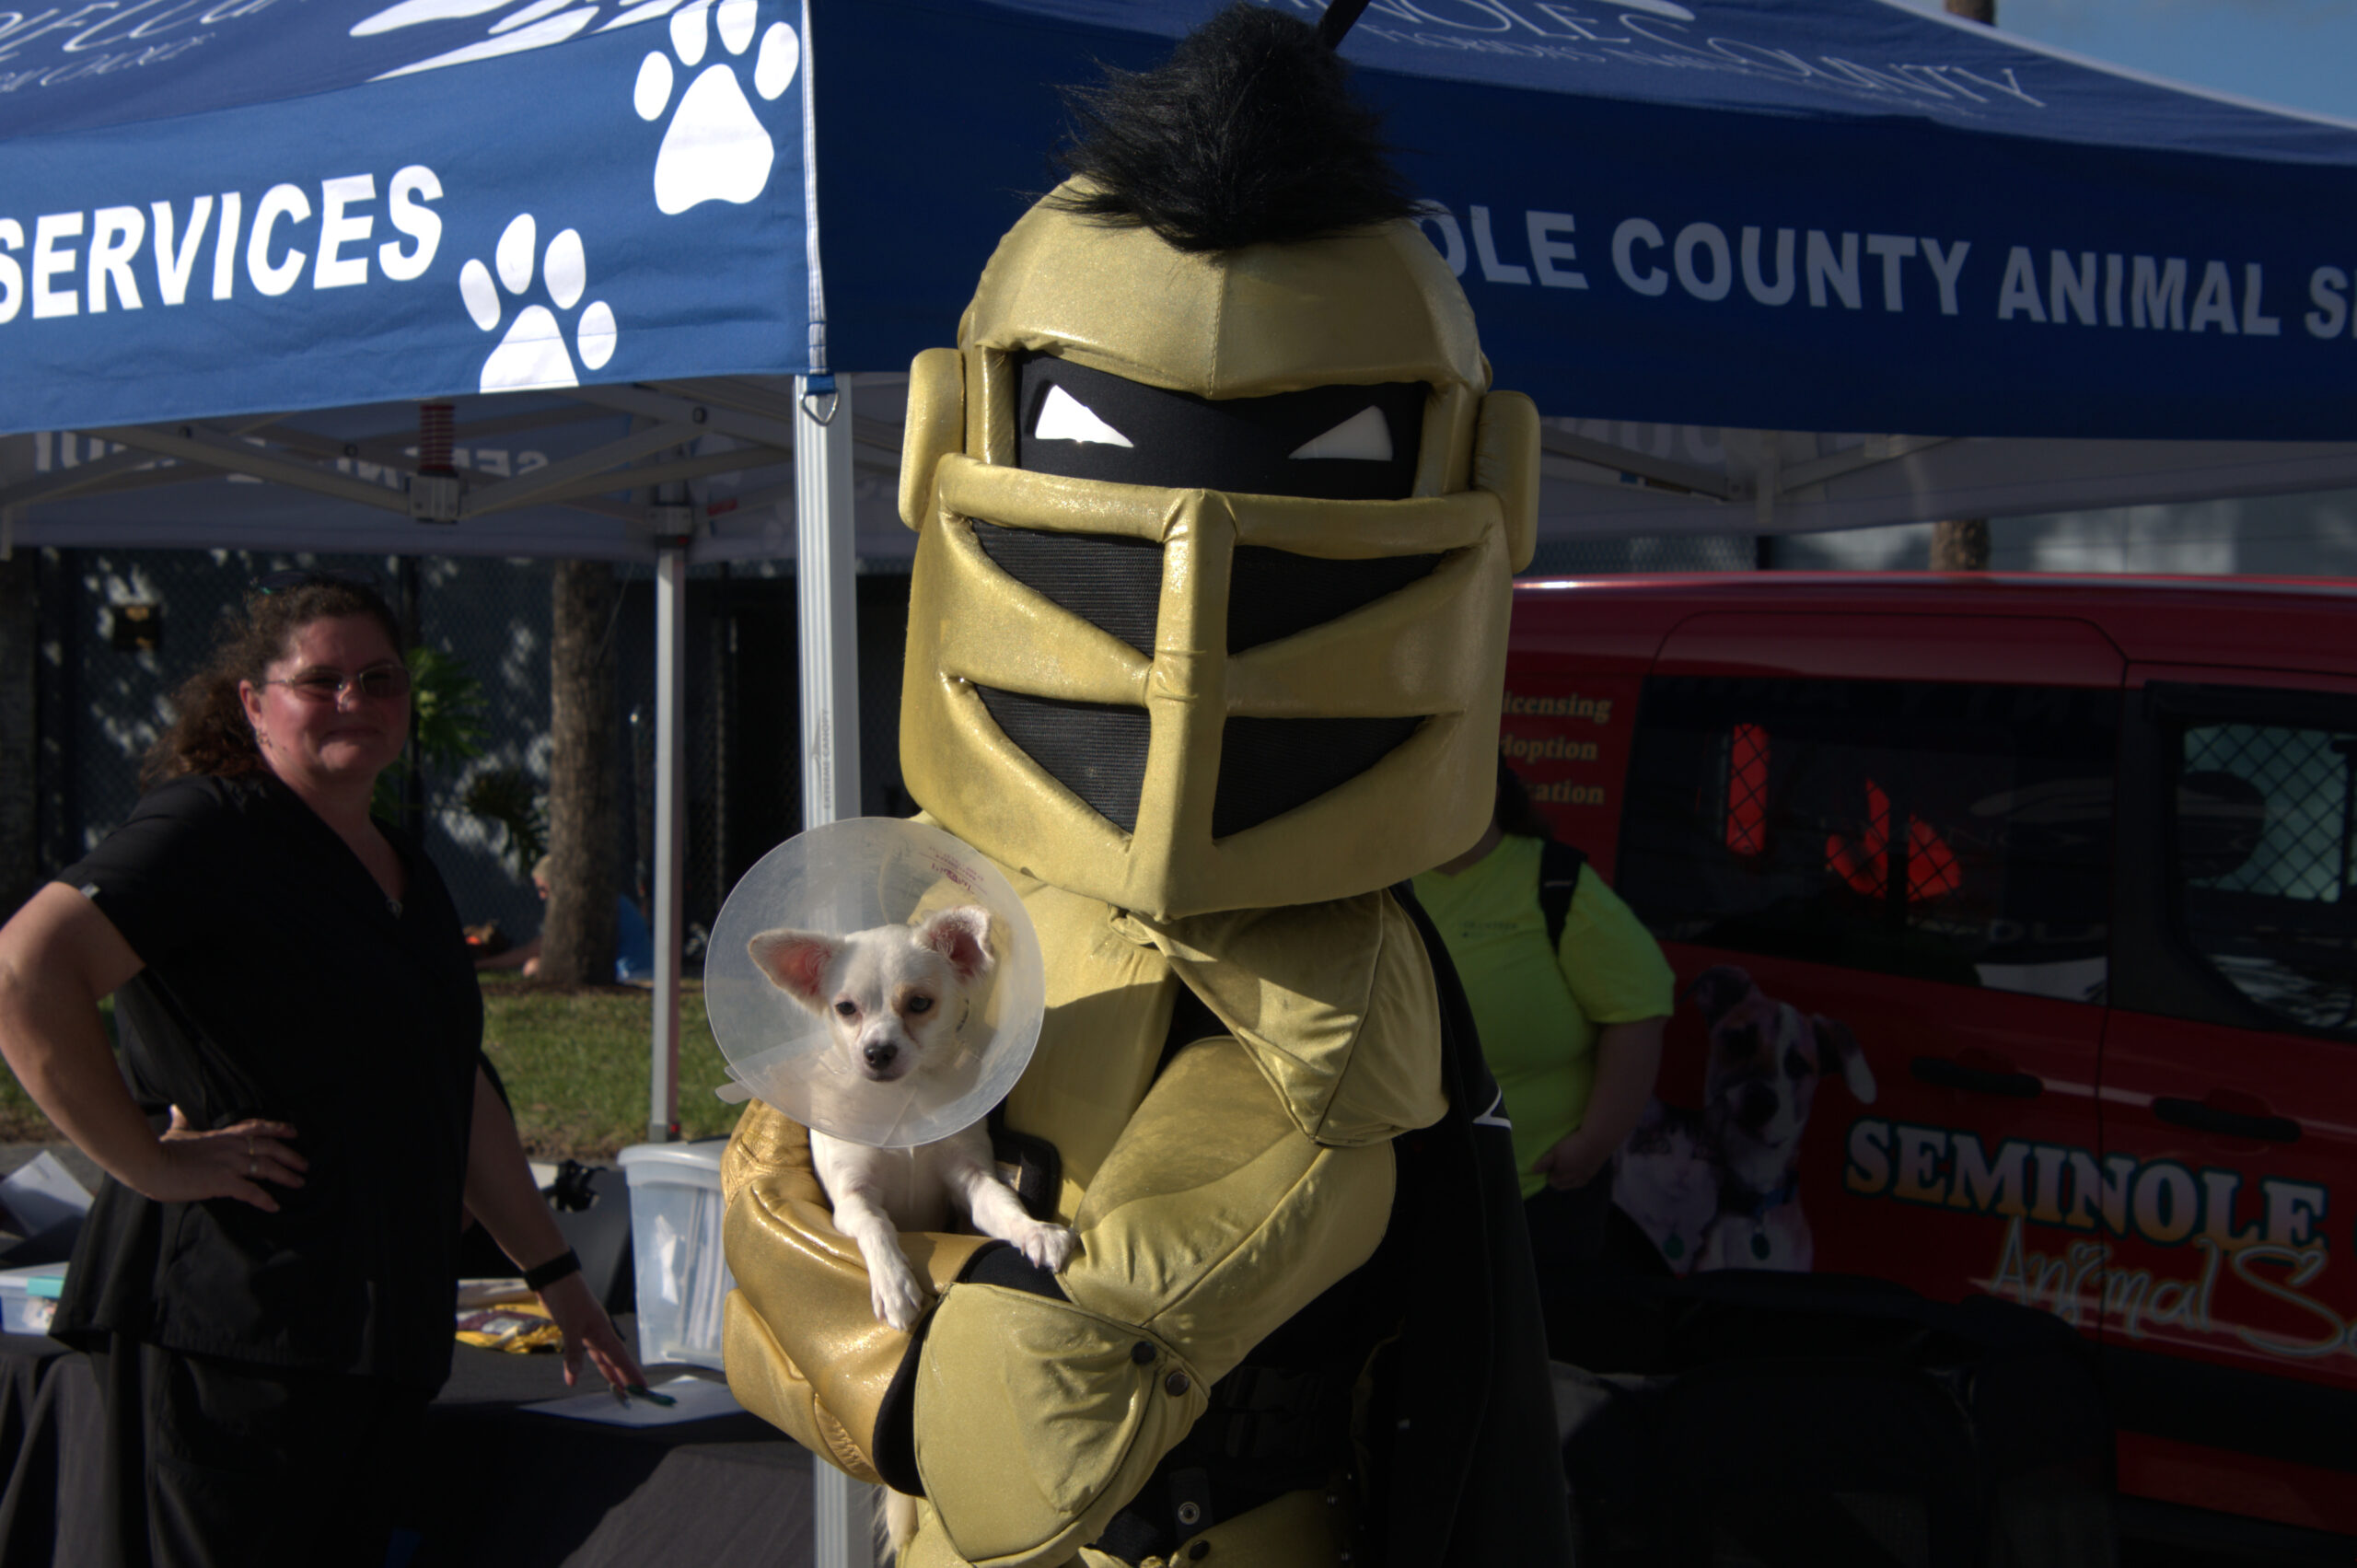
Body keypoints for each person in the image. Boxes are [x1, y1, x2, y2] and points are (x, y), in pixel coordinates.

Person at [0, 568, 643, 1568]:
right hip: (231, 1333)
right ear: (256, 703)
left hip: (372, 1339)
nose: (355, 699)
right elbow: (23, 970)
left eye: (379, 678)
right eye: (321, 679)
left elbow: (450, 1083)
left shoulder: (404, 867)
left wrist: (559, 1279)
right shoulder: (206, 827)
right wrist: (146, 1161)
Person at [1413, 757, 1676, 1344]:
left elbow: (1639, 1009)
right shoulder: (1388, 883)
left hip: (1533, 1199)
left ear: (1491, 790)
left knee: (1522, 1358)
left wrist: (1594, 1141)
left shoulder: (1552, 883)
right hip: (1413, 1187)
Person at [475, 854, 656, 983]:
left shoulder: (585, 905)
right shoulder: (602, 898)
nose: (541, 897)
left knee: (533, 967)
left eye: (543, 889)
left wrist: (481, 965)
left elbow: (536, 949)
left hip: (629, 976)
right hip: (641, 971)